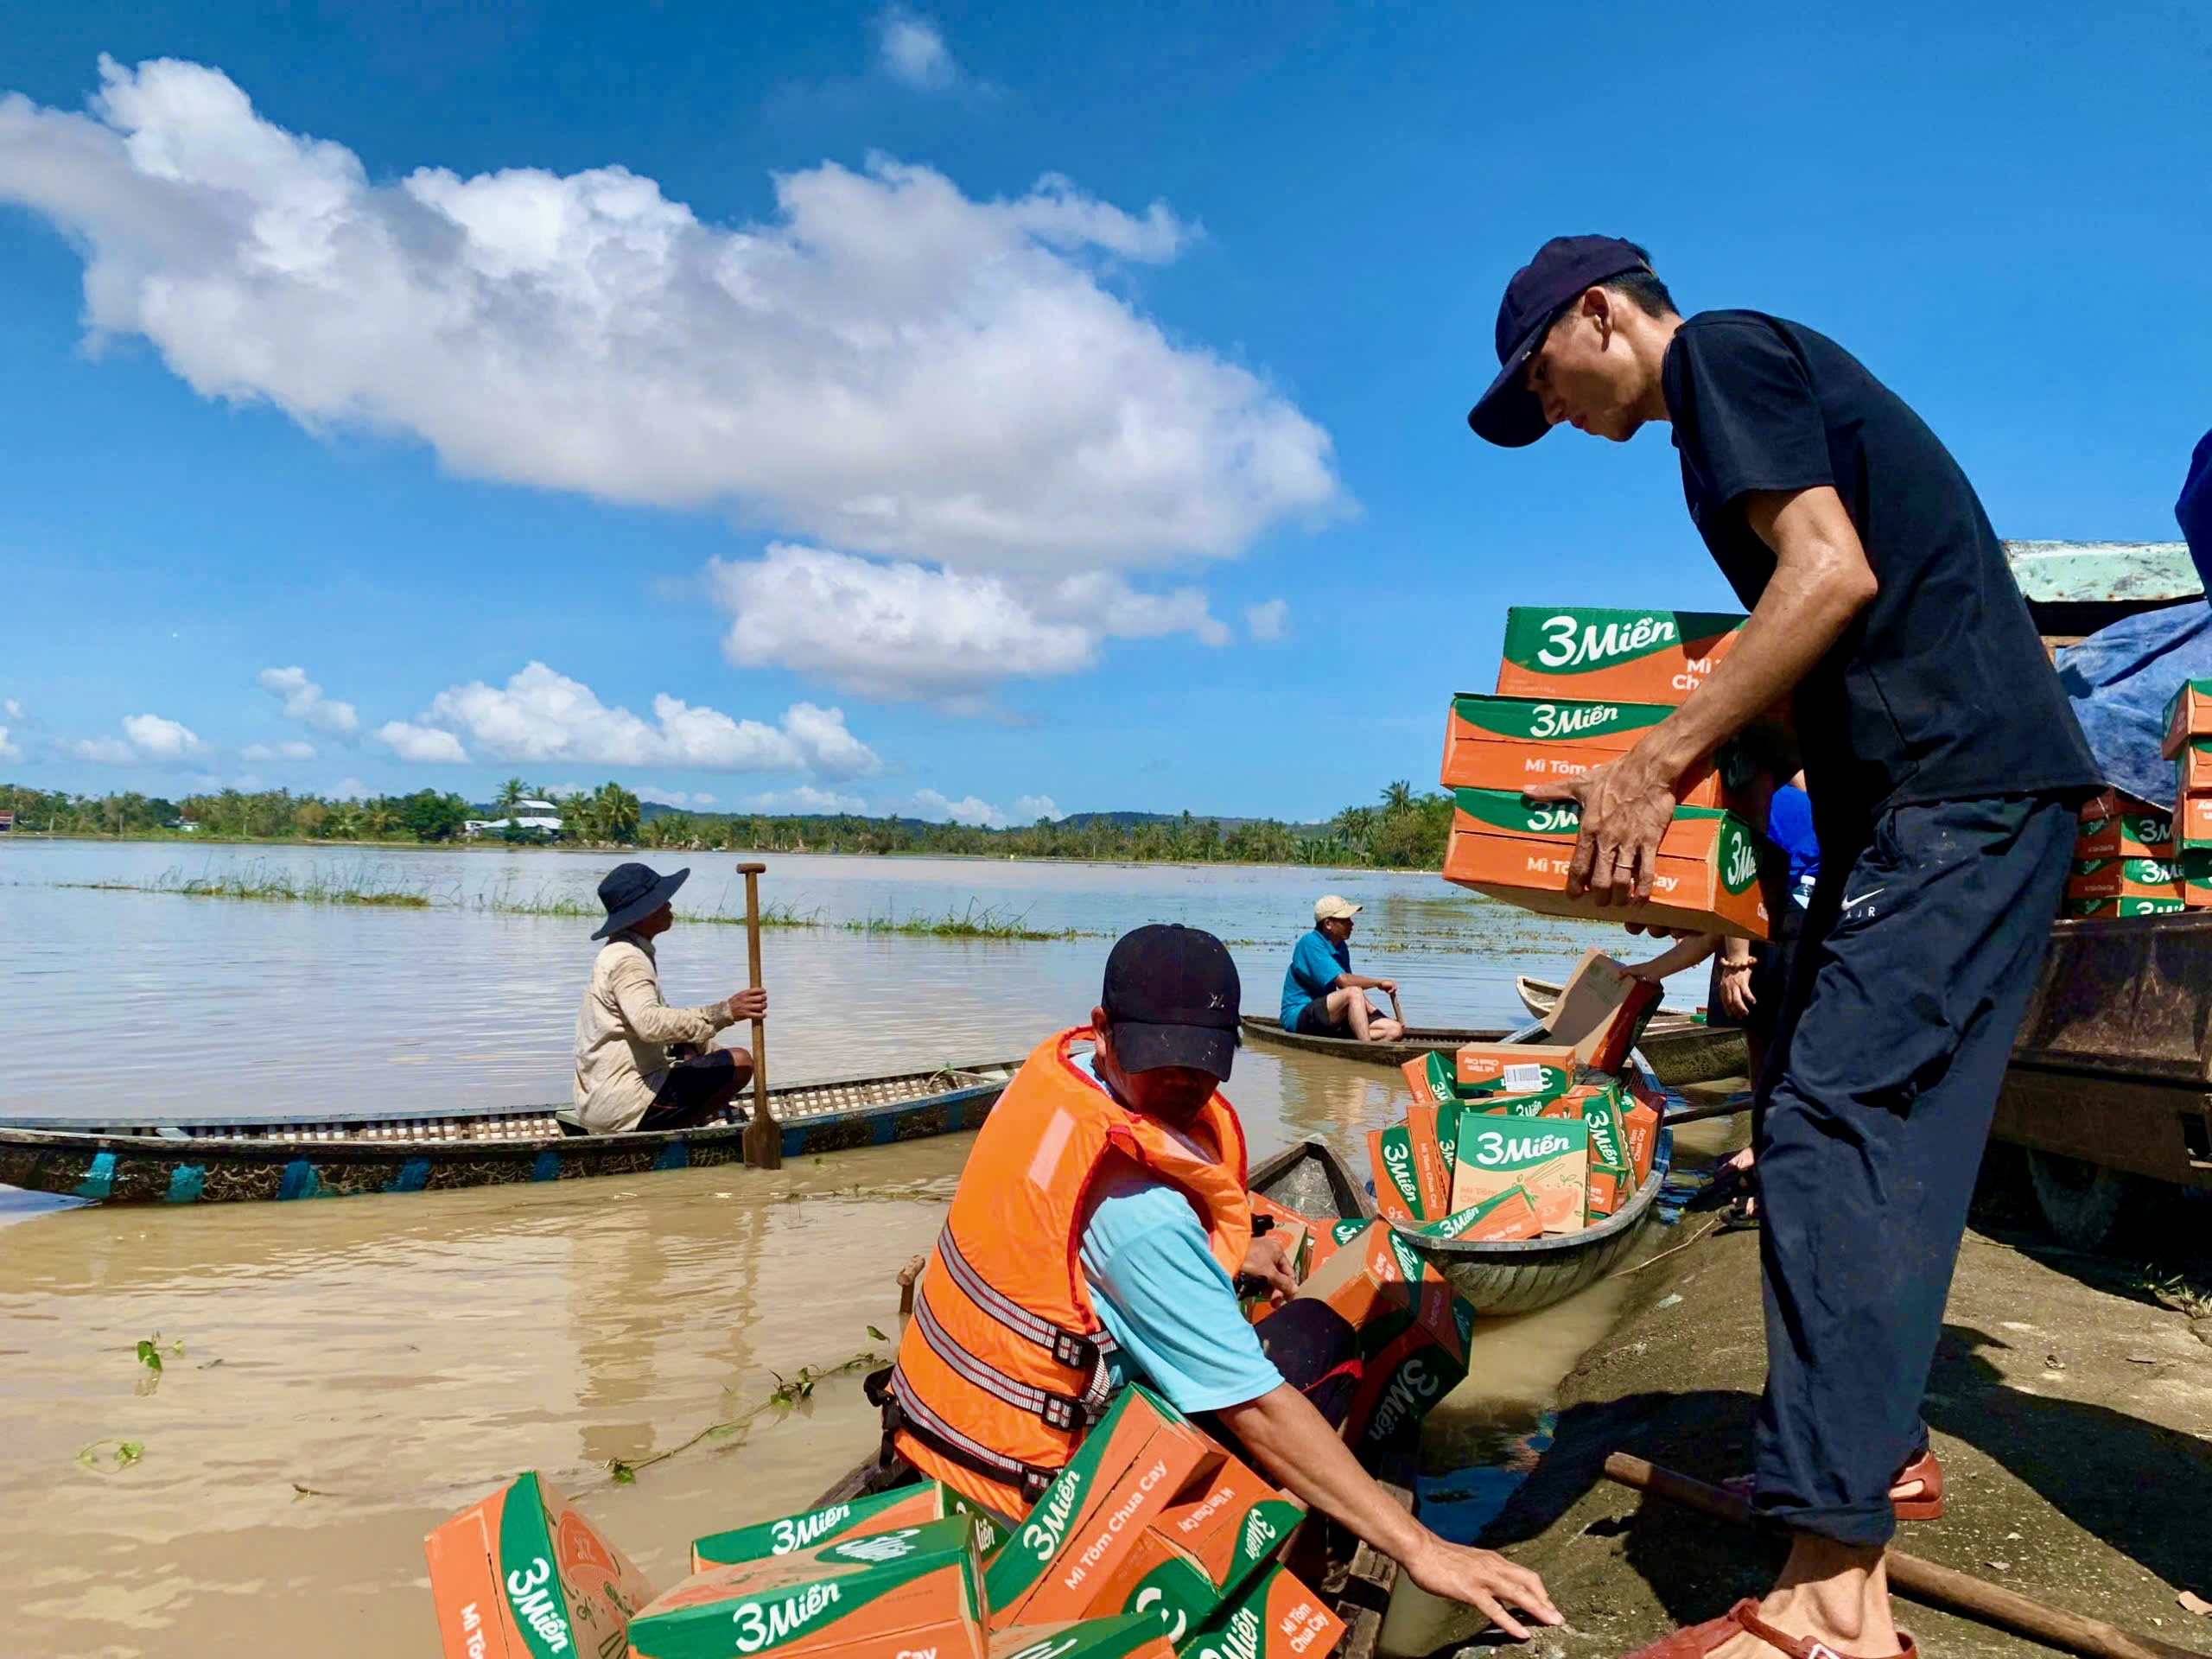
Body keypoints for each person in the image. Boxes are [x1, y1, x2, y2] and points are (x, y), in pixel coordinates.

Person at [1467, 237, 2099, 1659]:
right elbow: (1797, 680)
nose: (1554, 413)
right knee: (1878, 1132)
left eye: (1542, 380)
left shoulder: (1728, 356)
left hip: (1956, 792)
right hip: (1959, 801)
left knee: (1831, 1129)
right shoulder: (1730, 407)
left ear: (1598, 312)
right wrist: (1671, 824)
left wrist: (1654, 758)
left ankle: (1827, 1601)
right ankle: (1872, 1470)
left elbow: (1827, 580)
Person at [876, 924, 1559, 1638]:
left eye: (1201, 1066)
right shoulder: (1141, 1218)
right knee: (1320, 1340)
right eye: (1161, 1062)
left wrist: (1227, 1253)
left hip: (937, 1436)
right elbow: (1257, 1408)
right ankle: (1292, 1572)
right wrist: (1423, 1549)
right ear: (1105, 1031)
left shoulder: (1055, 1088)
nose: (1183, 1086)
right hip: (1035, 1499)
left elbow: (1076, 1249)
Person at [569, 861, 766, 1134]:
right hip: (624, 1106)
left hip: (599, 1102)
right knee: (741, 1061)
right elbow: (650, 1024)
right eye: (661, 900)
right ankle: (682, 1129)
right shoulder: (628, 959)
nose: (669, 905)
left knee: (705, 1050)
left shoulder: (622, 951)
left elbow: (651, 1024)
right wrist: (725, 1012)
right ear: (643, 912)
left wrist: (699, 1046)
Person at [1280, 894, 1405, 1041]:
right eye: (1346, 920)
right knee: (1354, 992)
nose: (1352, 924)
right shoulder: (1310, 943)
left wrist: (1380, 1016)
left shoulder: (1340, 947)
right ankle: (1366, 1047)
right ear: (1328, 924)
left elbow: (1353, 991)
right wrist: (1378, 983)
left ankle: (1359, 1040)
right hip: (1298, 1016)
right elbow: (1345, 983)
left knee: (1393, 1030)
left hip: (1328, 1015)